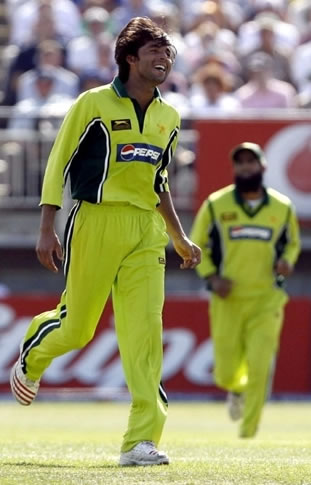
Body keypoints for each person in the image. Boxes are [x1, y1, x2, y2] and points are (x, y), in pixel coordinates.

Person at [10, 17, 201, 466]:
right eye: (155, 51)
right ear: (130, 57)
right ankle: (34, 350)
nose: (164, 59)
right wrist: (46, 227)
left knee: (145, 337)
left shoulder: (169, 116)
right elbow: (59, 161)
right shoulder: (93, 103)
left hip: (145, 234)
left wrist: (179, 236)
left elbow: (160, 183)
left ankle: (140, 442)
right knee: (78, 328)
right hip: (94, 221)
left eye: (168, 52)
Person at [190, 142, 300, 438]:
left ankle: (248, 433)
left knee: (260, 363)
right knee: (226, 372)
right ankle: (236, 390)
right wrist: (212, 278)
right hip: (228, 299)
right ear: (234, 168)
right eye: (240, 163)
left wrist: (287, 261)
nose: (246, 168)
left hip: (267, 298)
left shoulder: (282, 206)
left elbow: (292, 243)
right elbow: (196, 245)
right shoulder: (216, 204)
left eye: (251, 163)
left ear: (262, 167)